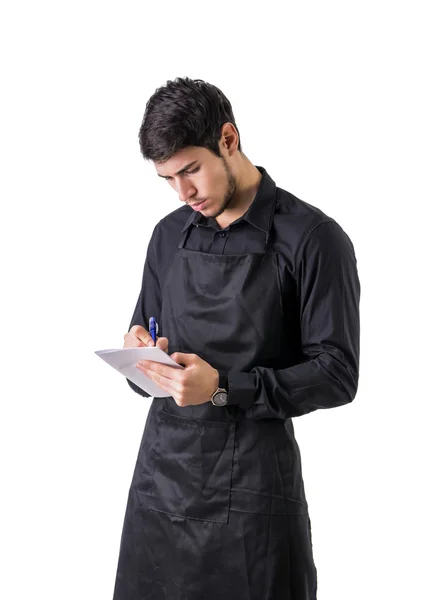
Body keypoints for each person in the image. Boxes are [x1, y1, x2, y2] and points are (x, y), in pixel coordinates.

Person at [112, 76, 361, 600]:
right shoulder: (167, 237)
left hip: (254, 498)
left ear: (228, 138)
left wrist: (223, 387)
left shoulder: (313, 240)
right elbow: (146, 357)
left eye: (191, 170)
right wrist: (143, 358)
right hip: (161, 489)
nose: (185, 193)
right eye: (168, 179)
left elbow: (337, 374)